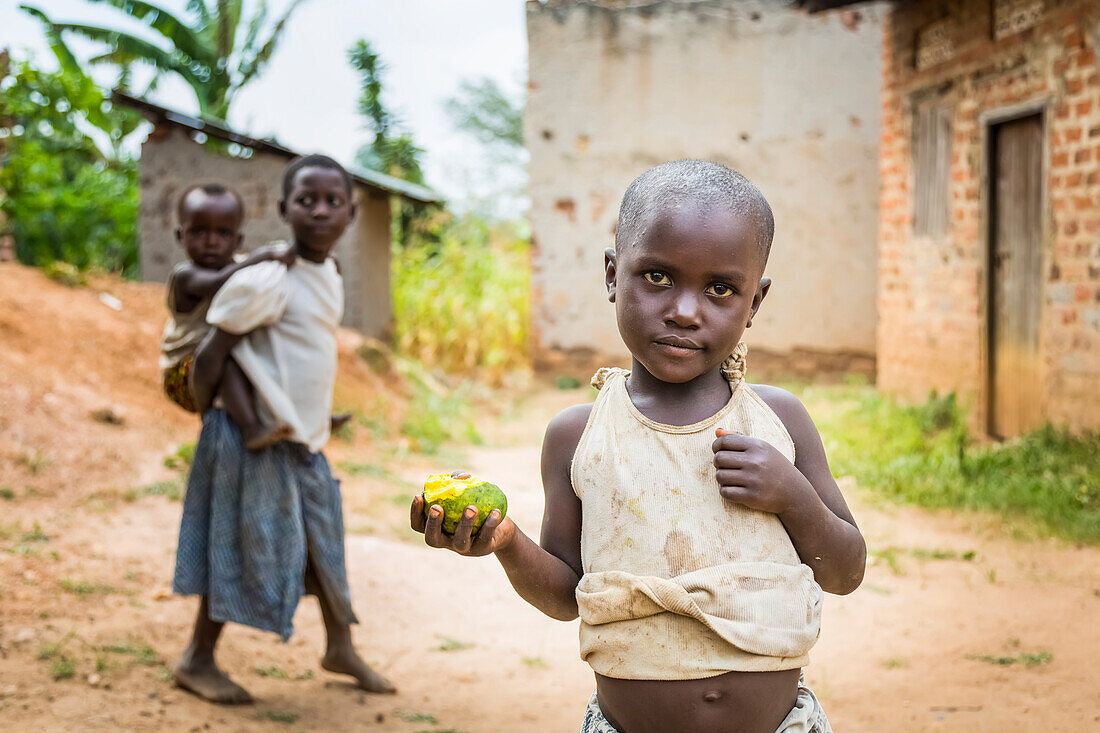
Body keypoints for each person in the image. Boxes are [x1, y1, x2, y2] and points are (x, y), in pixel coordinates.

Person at [411, 160, 866, 732]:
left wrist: (792, 495)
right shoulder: (579, 436)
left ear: (754, 303)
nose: (683, 309)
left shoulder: (778, 421)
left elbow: (845, 572)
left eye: (721, 288)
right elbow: (565, 596)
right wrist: (505, 541)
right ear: (611, 274)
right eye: (657, 277)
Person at [171, 155, 394, 704]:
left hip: (299, 437)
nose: (320, 210)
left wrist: (320, 417)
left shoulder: (329, 273)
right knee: (241, 545)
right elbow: (211, 355)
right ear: (283, 210)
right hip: (251, 439)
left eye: (332, 201)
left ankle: (340, 645)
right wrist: (216, 418)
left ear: (351, 211)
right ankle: (197, 659)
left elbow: (296, 356)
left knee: (324, 538)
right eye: (306, 200)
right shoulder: (268, 277)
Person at [159, 183, 295, 450]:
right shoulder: (185, 275)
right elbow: (217, 283)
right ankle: (252, 430)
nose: (211, 241)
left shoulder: (238, 267)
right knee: (228, 363)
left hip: (216, 359)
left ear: (237, 240)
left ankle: (308, 415)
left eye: (223, 233)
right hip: (184, 372)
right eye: (198, 231)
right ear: (180, 235)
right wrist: (262, 256)